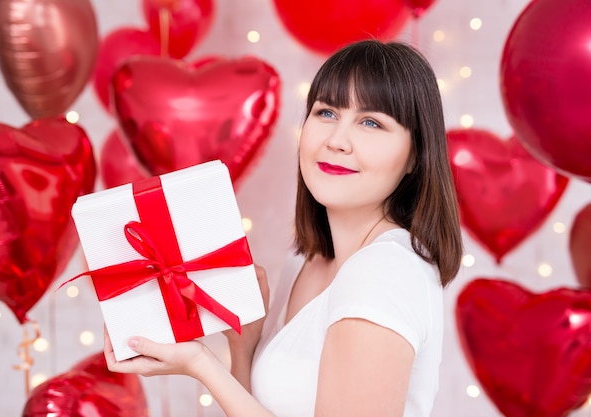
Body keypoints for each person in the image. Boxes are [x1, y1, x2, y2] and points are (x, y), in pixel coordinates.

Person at [104, 39, 463, 417]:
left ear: (414, 158)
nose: (336, 141)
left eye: (371, 122)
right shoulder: (305, 260)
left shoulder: (384, 272)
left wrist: (201, 365)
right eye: (326, 113)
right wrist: (246, 342)